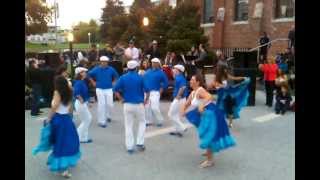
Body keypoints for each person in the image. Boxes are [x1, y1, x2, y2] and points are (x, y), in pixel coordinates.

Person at [182, 74, 236, 168]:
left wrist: (202, 105)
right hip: (206, 114)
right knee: (207, 135)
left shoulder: (200, 90)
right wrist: (182, 111)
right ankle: (208, 152)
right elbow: (186, 104)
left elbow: (209, 96)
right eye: (190, 80)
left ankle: (209, 161)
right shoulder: (193, 93)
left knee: (209, 136)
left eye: (192, 79)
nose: (190, 81)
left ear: (198, 82)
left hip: (212, 113)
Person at [33, 75, 81, 178]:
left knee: (58, 142)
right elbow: (71, 106)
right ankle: (63, 166)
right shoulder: (70, 91)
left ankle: (62, 167)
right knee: (66, 142)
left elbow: (55, 107)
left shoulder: (57, 92)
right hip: (67, 119)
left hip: (58, 119)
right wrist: (69, 116)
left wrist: (48, 118)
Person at [114, 60, 149, 154]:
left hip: (127, 104)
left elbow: (115, 89)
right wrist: (146, 100)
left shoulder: (123, 77)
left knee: (128, 125)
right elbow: (147, 90)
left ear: (128, 68)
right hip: (139, 104)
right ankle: (140, 143)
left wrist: (121, 99)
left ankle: (129, 147)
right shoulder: (140, 77)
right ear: (136, 68)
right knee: (142, 122)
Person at [87, 56, 119, 128]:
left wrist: (114, 82)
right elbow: (88, 75)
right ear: (100, 62)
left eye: (105, 62)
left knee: (110, 104)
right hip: (99, 89)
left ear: (107, 62)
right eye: (102, 62)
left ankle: (108, 116)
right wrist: (93, 82)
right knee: (102, 104)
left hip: (109, 88)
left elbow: (116, 76)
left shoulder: (111, 69)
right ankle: (101, 121)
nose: (104, 63)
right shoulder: (96, 69)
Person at [143, 58, 169, 127]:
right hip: (147, 92)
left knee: (155, 107)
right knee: (147, 107)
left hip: (155, 92)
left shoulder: (161, 72)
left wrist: (162, 89)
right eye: (152, 62)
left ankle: (160, 120)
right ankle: (148, 121)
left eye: (155, 63)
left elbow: (166, 82)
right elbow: (143, 80)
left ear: (158, 64)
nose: (153, 64)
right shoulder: (148, 71)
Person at [73, 67, 93, 143]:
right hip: (80, 103)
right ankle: (77, 136)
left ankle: (83, 138)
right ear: (80, 74)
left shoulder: (82, 81)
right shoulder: (79, 82)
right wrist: (82, 101)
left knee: (85, 120)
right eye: (84, 72)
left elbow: (83, 93)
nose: (85, 73)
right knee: (87, 119)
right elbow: (77, 93)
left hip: (82, 103)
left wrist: (87, 102)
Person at [168, 65, 188, 137]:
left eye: (175, 69)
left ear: (178, 71)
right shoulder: (178, 77)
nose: (173, 70)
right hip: (180, 98)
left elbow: (182, 87)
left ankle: (182, 126)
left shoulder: (180, 78)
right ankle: (176, 130)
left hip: (179, 99)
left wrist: (178, 96)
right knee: (175, 114)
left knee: (170, 114)